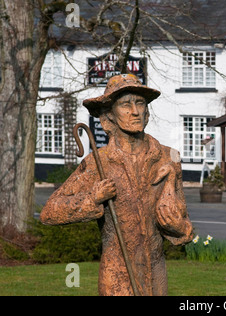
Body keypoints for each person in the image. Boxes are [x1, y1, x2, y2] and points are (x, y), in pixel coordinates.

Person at [40, 74, 194, 296]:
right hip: (116, 273)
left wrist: (180, 228)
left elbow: (184, 223)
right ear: (109, 116)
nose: (135, 111)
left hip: (156, 275)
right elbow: (49, 212)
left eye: (140, 103)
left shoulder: (169, 157)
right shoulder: (97, 163)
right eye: (125, 104)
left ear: (147, 112)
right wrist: (93, 199)